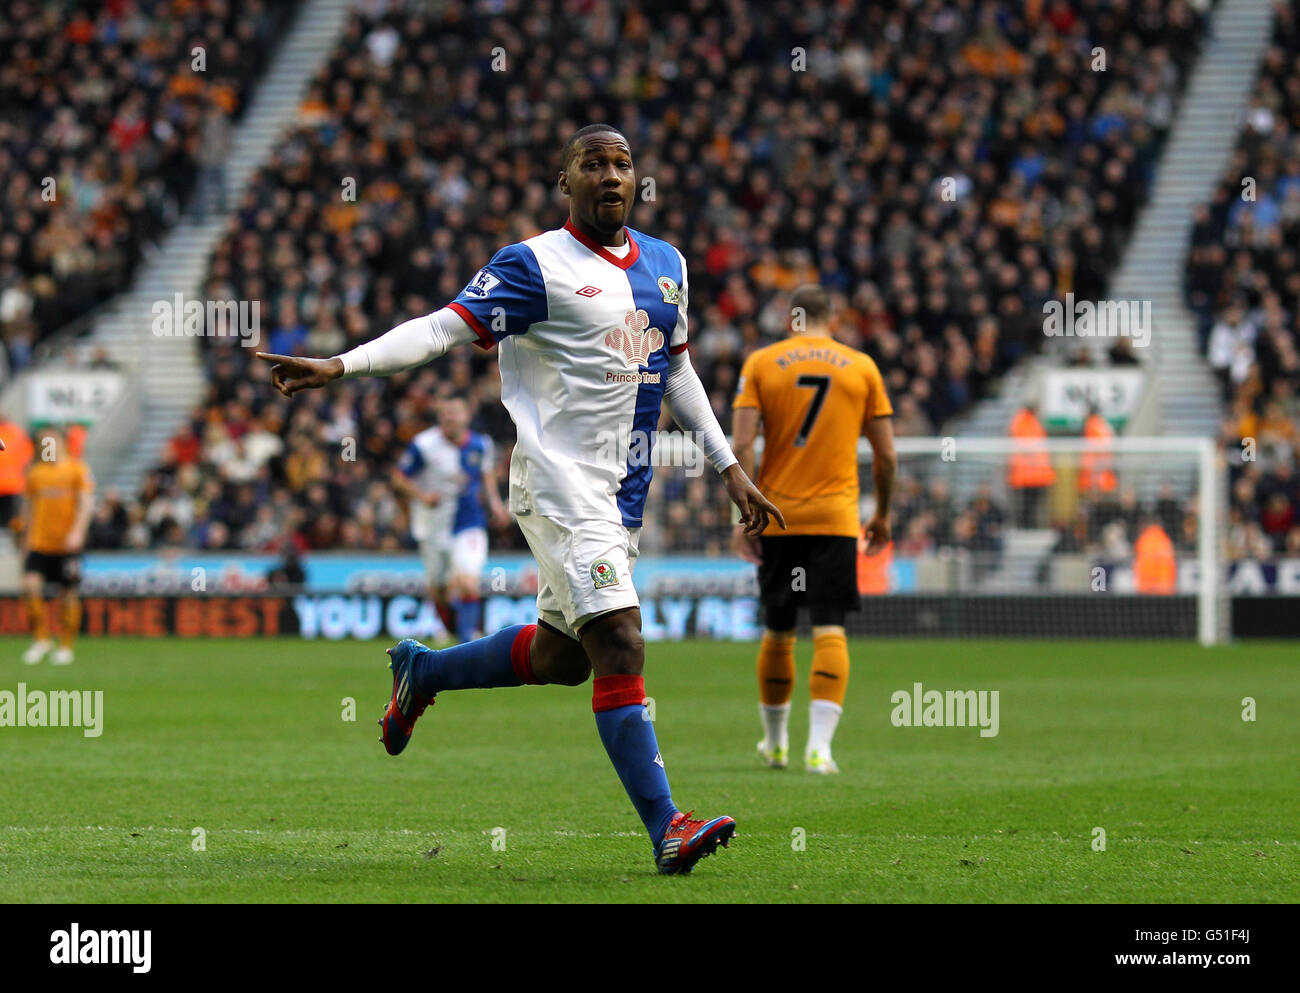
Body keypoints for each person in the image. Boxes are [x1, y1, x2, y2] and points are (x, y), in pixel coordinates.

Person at [256, 124, 784, 875]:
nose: (611, 176)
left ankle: (424, 673)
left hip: (622, 492)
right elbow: (441, 330)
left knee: (564, 656)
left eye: (623, 163)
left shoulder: (668, 264)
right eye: (592, 164)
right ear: (564, 183)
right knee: (623, 640)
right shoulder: (533, 265)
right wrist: (341, 366)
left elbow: (674, 371)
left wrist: (728, 466)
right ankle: (667, 826)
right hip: (557, 482)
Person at [731, 284, 896, 774]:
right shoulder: (862, 367)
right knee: (830, 628)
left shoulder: (762, 363)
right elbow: (886, 455)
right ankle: (820, 749)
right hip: (836, 519)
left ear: (790, 319)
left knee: (779, 630)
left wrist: (744, 516)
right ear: (836, 318)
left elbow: (740, 445)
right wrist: (883, 514)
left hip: (777, 518)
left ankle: (775, 743)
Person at [392, 395, 509, 643]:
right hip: (432, 525)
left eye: (455, 412)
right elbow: (398, 478)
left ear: (466, 416)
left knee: (467, 582)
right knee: (439, 589)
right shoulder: (423, 445)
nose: (450, 418)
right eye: (445, 413)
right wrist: (422, 496)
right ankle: (456, 631)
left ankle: (469, 639)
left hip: (469, 522)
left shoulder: (481, 445)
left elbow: (487, 477)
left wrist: (496, 506)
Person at [21, 427, 94, 665]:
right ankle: (41, 640)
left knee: (69, 594)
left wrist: (78, 532)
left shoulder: (76, 469)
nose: (47, 445)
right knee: (31, 586)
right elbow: (29, 508)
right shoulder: (35, 473)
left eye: (51, 440)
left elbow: (86, 503)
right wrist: (25, 538)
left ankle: (65, 646)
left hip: (67, 546)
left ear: (63, 443)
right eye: (43, 441)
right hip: (39, 543)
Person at [1007, 401, 1055, 527]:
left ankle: (1030, 525)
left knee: (1033, 503)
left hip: (1036, 474)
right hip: (1027, 473)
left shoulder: (1030, 422)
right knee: (1026, 503)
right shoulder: (1022, 422)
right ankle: (1025, 526)